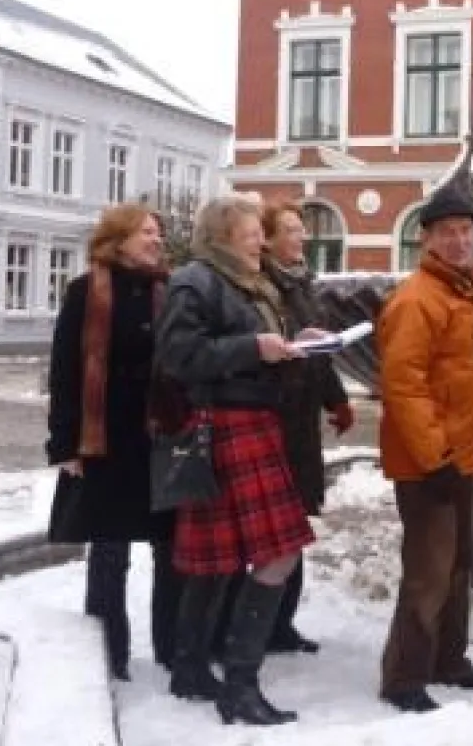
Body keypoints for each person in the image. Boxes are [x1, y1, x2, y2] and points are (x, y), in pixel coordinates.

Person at [155, 195, 315, 726]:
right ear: (224, 237)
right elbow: (180, 358)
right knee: (279, 553)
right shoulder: (195, 282)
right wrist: (255, 348)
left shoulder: (250, 284)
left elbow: (248, 345)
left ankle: (191, 668)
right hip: (226, 427)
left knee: (218, 559)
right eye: (251, 235)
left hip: (252, 424)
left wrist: (297, 345)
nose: (261, 242)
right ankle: (240, 684)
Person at [376, 186, 473, 713]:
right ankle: (404, 677)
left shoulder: (466, 291)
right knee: (429, 570)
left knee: (456, 566)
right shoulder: (417, 299)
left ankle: (448, 660)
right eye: (447, 232)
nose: (459, 240)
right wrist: (435, 457)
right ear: (424, 238)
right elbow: (404, 385)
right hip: (431, 463)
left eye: (465, 231)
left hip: (461, 457)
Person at [211, 201, 356, 658]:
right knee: (274, 532)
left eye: (301, 230)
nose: (302, 238)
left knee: (293, 528)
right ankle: (246, 631)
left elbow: (315, 350)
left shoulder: (298, 283)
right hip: (274, 419)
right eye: (291, 230)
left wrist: (336, 398)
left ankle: (280, 625)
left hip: (300, 419)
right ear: (268, 240)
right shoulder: (265, 287)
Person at [45, 203, 179, 681]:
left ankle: (172, 647)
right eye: (146, 231)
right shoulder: (87, 291)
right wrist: (64, 446)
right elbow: (64, 371)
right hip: (104, 438)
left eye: (158, 232)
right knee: (109, 552)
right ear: (118, 239)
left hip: (160, 435)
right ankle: (106, 654)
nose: (156, 239)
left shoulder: (170, 290)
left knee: (171, 548)